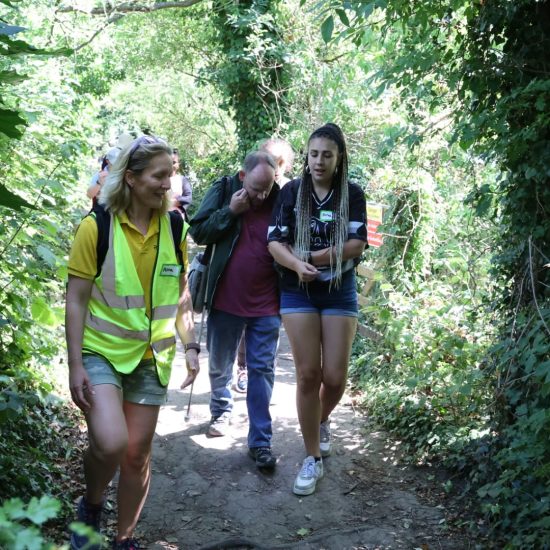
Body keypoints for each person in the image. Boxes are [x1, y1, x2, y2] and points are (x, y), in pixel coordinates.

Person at [66, 135, 200, 550]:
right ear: (131, 178)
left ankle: (124, 538)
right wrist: (74, 365)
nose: (168, 185)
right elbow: (75, 298)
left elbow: (180, 294)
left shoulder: (175, 226)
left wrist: (191, 344)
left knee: (137, 455)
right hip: (102, 350)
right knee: (110, 442)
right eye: (159, 176)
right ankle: (91, 504)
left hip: (152, 355)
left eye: (171, 176)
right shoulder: (97, 226)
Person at [267, 123, 367, 496]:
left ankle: (321, 418)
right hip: (297, 291)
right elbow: (275, 242)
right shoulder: (292, 192)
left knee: (335, 378)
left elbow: (357, 243)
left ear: (339, 159)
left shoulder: (351, 195)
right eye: (313, 154)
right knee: (308, 375)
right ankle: (312, 458)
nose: (319, 161)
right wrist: (297, 265)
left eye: (327, 154)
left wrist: (315, 257)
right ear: (306, 157)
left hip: (339, 291)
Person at [188, 151, 281, 470]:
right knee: (219, 364)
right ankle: (222, 411)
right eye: (256, 188)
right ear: (243, 177)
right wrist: (230, 211)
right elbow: (197, 231)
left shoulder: (282, 198)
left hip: (268, 302)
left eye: (268, 188)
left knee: (262, 370)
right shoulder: (225, 189)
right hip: (225, 298)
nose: (261, 195)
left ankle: (260, 440)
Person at [233, 137, 295, 395]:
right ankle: (243, 368)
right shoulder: (242, 186)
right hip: (243, 277)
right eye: (271, 159)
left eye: (280, 162)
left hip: (275, 277)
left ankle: (260, 379)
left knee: (267, 332)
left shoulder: (288, 192)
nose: (276, 166)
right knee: (243, 330)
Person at [169, 148, 193, 219]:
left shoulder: (182, 179)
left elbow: (188, 198)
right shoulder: (161, 179)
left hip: (179, 218)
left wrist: (175, 200)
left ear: (178, 164)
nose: (171, 165)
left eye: (174, 162)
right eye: (169, 162)